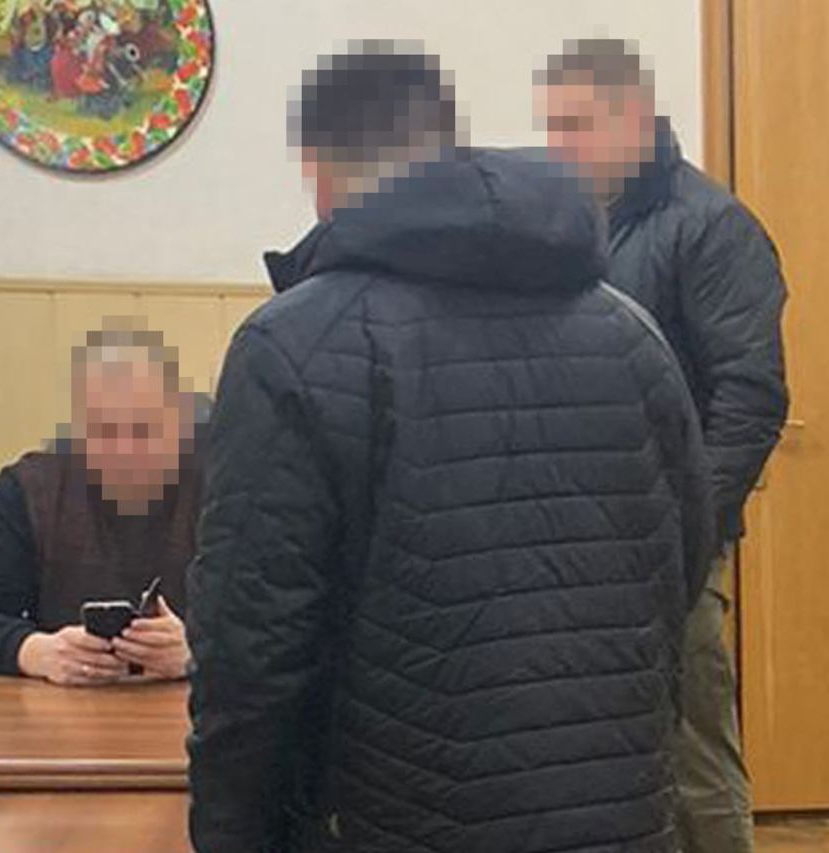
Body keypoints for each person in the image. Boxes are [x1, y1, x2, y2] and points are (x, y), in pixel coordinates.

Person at [187, 41, 713, 853]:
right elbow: (680, 565)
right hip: (620, 813)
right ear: (449, 147)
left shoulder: (295, 344)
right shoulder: (632, 333)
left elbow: (252, 644)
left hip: (393, 816)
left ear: (320, 175)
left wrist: (230, 833)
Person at [538, 39, 788, 853]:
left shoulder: (713, 226)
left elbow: (750, 398)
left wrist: (684, 530)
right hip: (578, 538)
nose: (558, 147)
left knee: (693, 759)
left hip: (670, 543)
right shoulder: (566, 227)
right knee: (596, 753)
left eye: (576, 125)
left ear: (637, 118)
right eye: (551, 127)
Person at [0, 322, 203, 687]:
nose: (124, 450)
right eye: (104, 431)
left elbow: (273, 622)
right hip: (59, 709)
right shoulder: (31, 492)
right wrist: (33, 651)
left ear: (180, 425)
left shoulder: (226, 489)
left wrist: (201, 652)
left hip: (194, 712)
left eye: (143, 430)